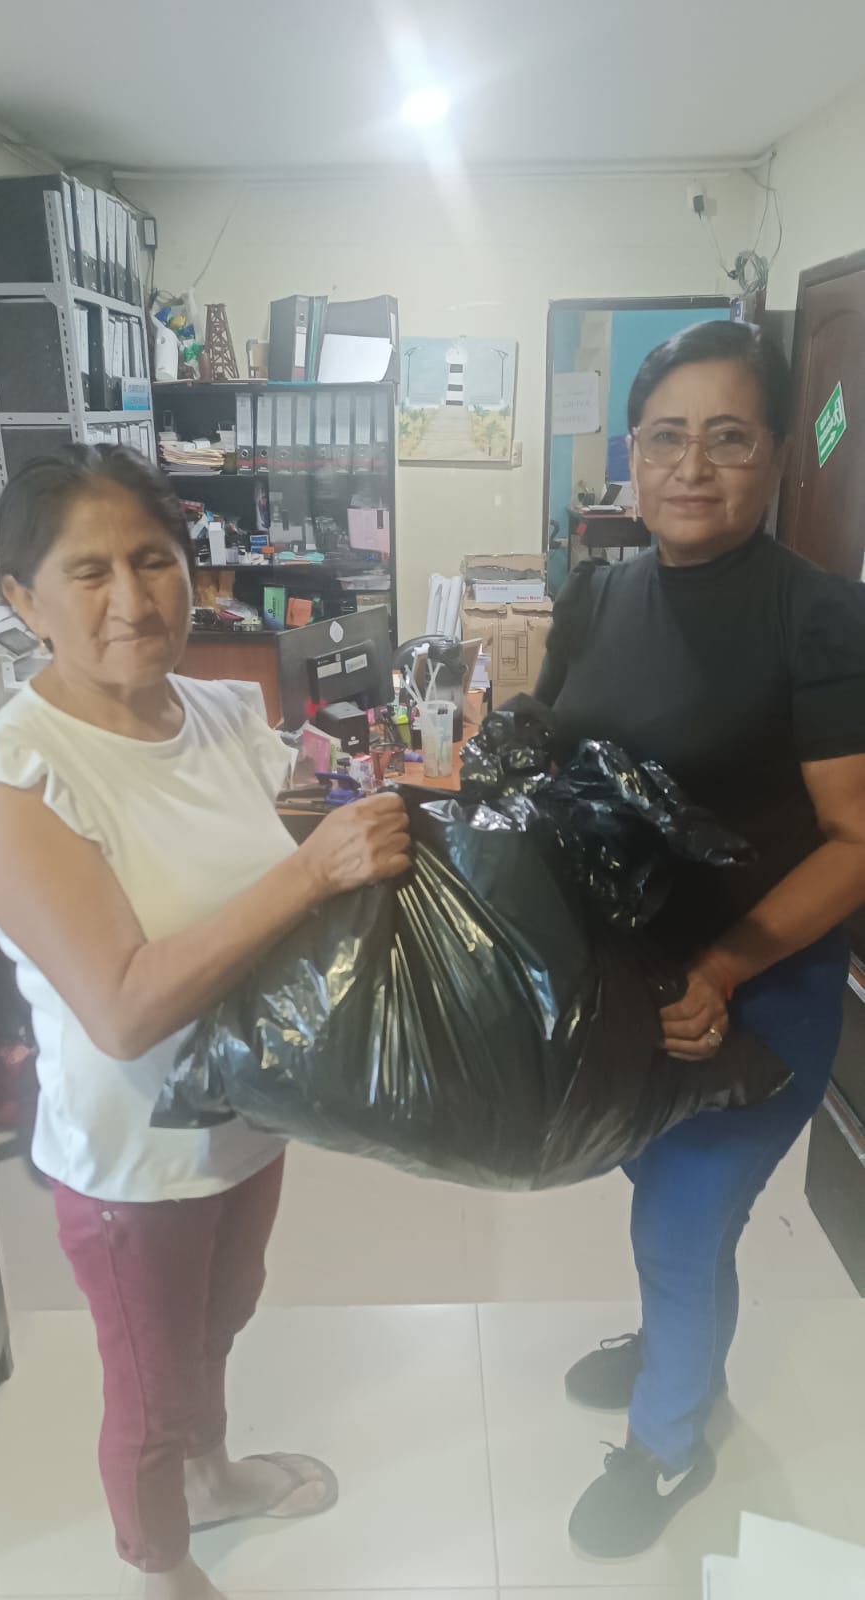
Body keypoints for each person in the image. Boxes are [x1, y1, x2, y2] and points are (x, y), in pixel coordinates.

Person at [0, 446, 411, 1600]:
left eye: (153, 559)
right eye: (89, 571)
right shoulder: (9, 782)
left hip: (248, 1111)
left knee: (222, 1317)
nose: (132, 598)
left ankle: (209, 1479)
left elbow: (281, 837)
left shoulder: (216, 707)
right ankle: (160, 1567)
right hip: (135, 1160)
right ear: (23, 599)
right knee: (148, 1394)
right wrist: (311, 872)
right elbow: (121, 1006)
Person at [534, 319, 865, 1559]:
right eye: (666, 435)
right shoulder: (597, 591)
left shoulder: (817, 618)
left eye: (727, 436)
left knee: (681, 1219)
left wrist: (722, 967)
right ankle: (676, 1339)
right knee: (660, 1198)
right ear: (631, 450)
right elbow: (550, 748)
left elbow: (855, 838)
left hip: (755, 991)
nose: (691, 465)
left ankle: (669, 1438)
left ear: (775, 453)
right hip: (631, 982)